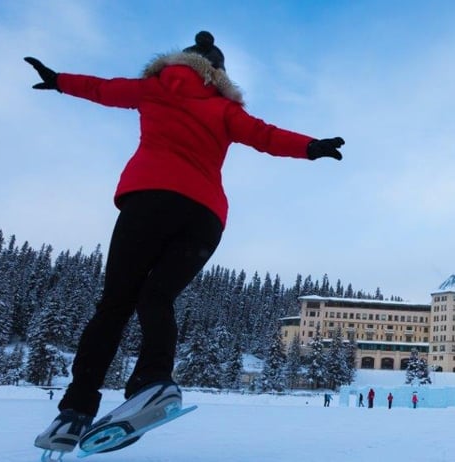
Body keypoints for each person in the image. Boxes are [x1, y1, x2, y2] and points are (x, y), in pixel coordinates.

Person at [30, 31, 345, 456]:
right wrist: (311, 147)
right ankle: (153, 383)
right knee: (156, 298)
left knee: (115, 305)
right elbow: (266, 135)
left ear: (179, 61)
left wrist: (59, 80)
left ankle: (76, 408)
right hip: (204, 219)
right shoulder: (224, 108)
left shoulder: (154, 88)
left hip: (149, 202)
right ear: (217, 73)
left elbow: (103, 89)